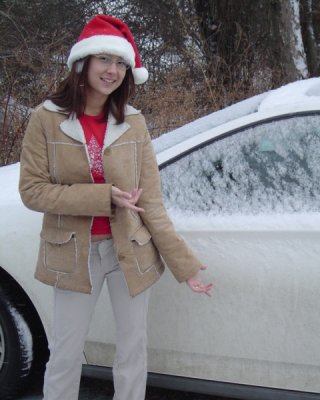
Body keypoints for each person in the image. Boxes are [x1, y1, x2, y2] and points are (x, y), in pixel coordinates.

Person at [19, 14, 213, 400]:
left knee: (132, 352)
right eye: (105, 60)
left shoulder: (134, 124)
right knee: (65, 353)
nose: (113, 71)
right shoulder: (46, 119)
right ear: (84, 62)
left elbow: (151, 202)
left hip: (131, 251)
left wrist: (184, 265)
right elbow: (32, 191)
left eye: (122, 63)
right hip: (73, 253)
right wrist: (101, 196)